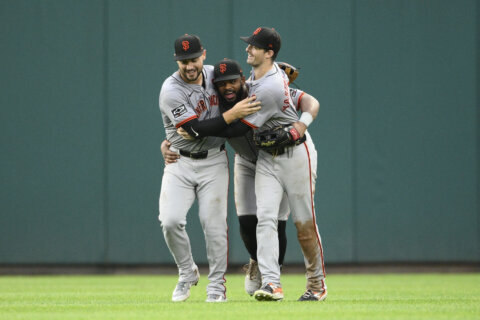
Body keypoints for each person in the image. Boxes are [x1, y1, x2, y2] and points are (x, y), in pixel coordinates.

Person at [161, 58, 321, 298]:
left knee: (276, 223)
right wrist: (170, 142)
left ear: (242, 79)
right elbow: (191, 127)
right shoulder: (217, 105)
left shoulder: (261, 92)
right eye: (222, 83)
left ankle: (272, 277)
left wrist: (301, 124)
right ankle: (257, 261)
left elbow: (310, 102)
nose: (227, 87)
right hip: (246, 160)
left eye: (232, 81)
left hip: (279, 158)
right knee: (248, 222)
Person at [157, 34, 260, 303]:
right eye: (183, 61)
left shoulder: (217, 75)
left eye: (193, 59)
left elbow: (248, 87)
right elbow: (192, 129)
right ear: (176, 61)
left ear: (203, 55)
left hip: (213, 159)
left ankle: (216, 286)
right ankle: (186, 271)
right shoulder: (171, 89)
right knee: (170, 221)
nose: (189, 66)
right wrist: (231, 115)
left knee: (213, 224)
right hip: (178, 160)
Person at [238, 27, 327, 302]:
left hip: (296, 156)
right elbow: (310, 101)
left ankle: (316, 285)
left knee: (304, 224)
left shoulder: (272, 86)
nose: (247, 49)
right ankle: (272, 283)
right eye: (248, 45)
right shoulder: (264, 76)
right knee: (264, 218)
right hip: (267, 157)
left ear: (269, 53)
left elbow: (234, 127)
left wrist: (301, 125)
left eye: (253, 46)